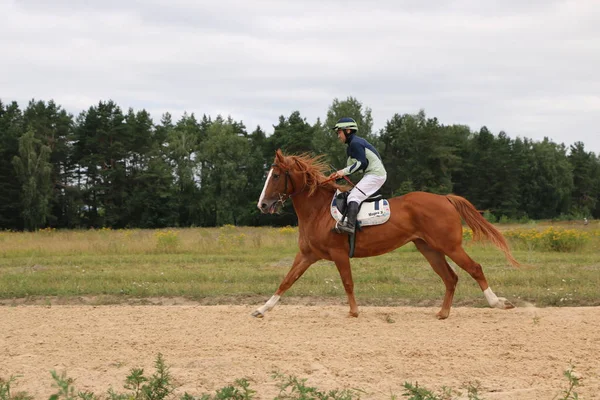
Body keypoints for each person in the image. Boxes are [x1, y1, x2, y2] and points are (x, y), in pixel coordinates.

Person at [328, 117, 387, 235]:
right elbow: (351, 167)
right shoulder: (352, 145)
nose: (338, 136)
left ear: (348, 131)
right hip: (372, 174)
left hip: (376, 175)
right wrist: (337, 176)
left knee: (353, 197)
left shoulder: (355, 143)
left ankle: (350, 226)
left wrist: (342, 172)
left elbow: (361, 163)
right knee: (351, 195)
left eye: (339, 132)